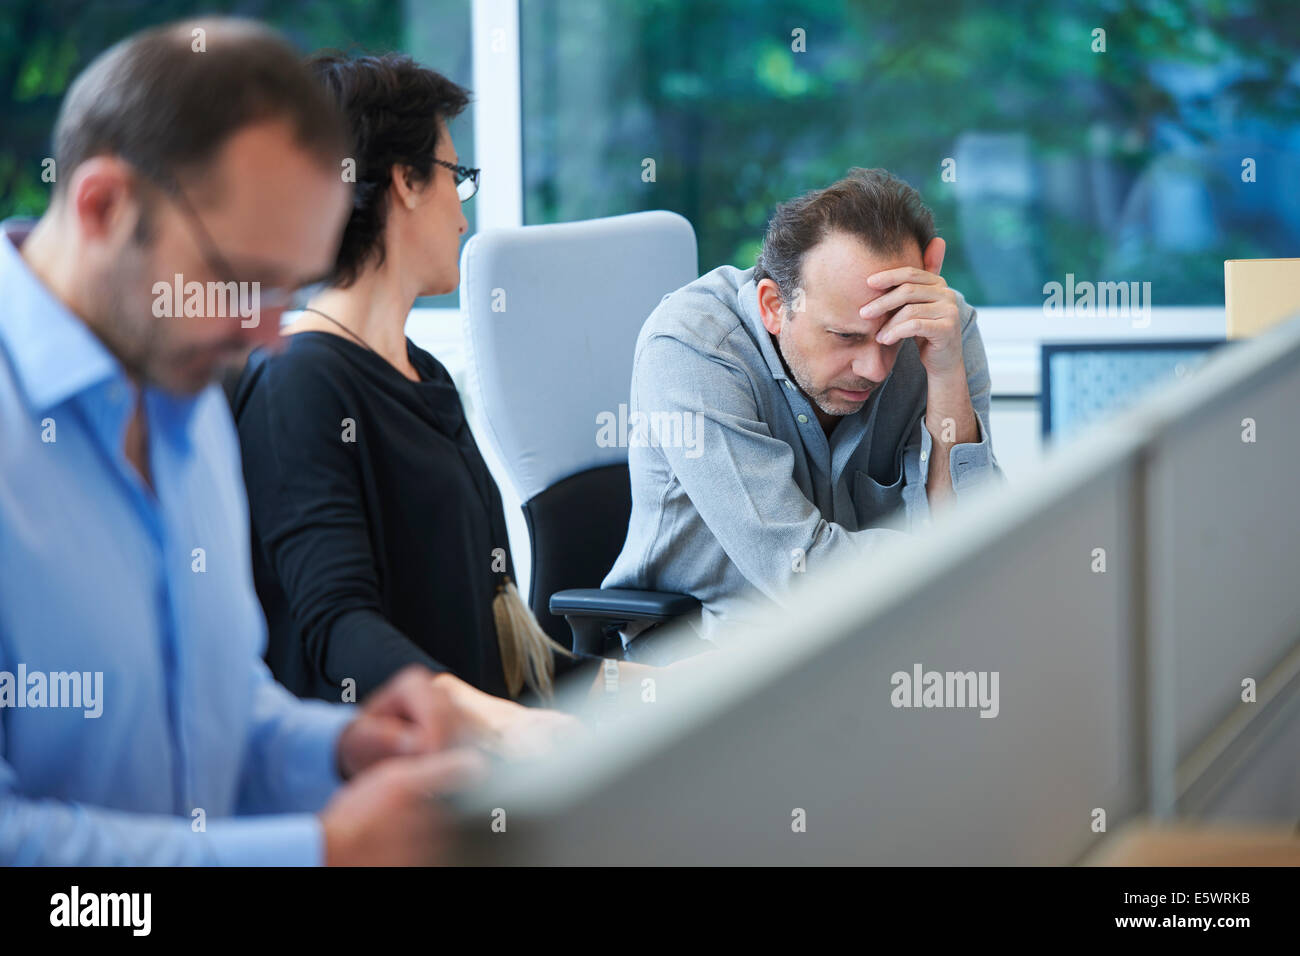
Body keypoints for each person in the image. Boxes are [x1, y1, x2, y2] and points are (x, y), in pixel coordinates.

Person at [0, 18, 540, 867]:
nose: (267, 334)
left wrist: (333, 750)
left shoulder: (186, 398)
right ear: (105, 208)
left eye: (286, 286)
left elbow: (218, 710)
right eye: (240, 280)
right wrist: (317, 850)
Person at [232, 53, 601, 708]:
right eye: (455, 178)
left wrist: (630, 687)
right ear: (404, 180)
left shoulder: (421, 372)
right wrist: (500, 729)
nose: (463, 218)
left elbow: (495, 638)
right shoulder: (300, 385)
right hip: (403, 779)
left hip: (482, 757)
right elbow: (341, 629)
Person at [603, 168, 1004, 643]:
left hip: (869, 635)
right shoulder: (693, 347)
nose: (876, 368)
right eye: (846, 337)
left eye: (891, 338)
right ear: (775, 306)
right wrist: (952, 568)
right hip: (699, 652)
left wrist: (944, 374)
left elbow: (981, 544)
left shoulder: (938, 329)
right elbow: (801, 570)